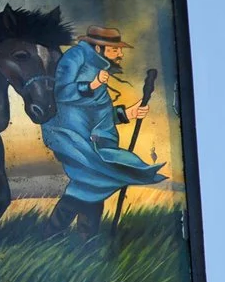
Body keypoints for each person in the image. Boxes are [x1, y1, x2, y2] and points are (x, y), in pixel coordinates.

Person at [40, 24, 171, 234]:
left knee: (93, 183)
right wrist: (90, 86)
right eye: (115, 49)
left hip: (92, 138)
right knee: (93, 178)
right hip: (69, 136)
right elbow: (62, 93)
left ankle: (79, 238)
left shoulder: (99, 69)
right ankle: (57, 234)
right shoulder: (76, 58)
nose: (120, 54)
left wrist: (126, 114)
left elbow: (98, 112)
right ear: (98, 48)